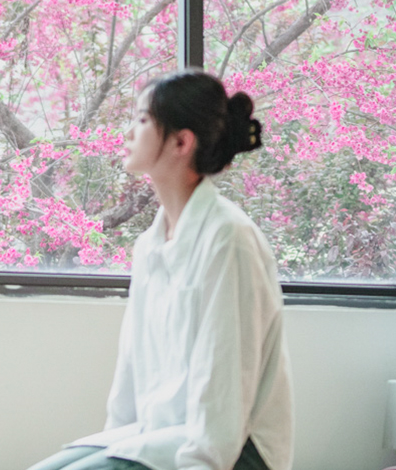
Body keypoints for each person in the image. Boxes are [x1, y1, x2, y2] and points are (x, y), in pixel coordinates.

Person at [27, 70, 294, 470]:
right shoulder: (150, 246)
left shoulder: (229, 238)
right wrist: (114, 448)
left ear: (181, 142)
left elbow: (225, 385)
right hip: (161, 436)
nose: (128, 133)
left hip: (235, 450)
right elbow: (132, 371)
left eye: (142, 120)